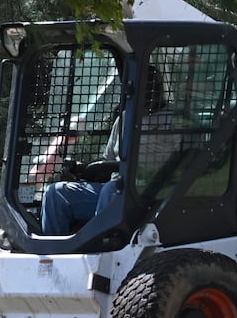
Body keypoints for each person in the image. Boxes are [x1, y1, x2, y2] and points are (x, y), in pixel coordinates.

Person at [40, 66, 172, 235]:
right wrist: (83, 169)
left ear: (158, 88)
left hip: (150, 193)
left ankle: (98, 247)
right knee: (56, 193)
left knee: (111, 190)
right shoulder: (125, 118)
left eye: (148, 87)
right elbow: (107, 160)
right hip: (116, 189)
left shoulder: (175, 118)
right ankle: (53, 255)